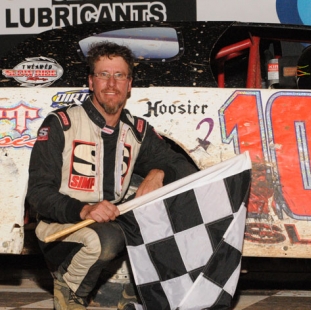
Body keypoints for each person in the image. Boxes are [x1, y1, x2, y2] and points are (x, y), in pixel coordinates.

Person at [26, 41, 197, 310]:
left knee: (180, 213)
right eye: (103, 74)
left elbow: (185, 167)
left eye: (119, 75)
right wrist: (84, 209)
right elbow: (37, 194)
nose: (111, 83)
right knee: (105, 240)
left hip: (111, 222)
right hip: (61, 228)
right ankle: (69, 287)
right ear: (91, 82)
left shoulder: (136, 130)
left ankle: (137, 294)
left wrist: (159, 171)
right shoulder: (61, 123)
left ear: (129, 85)